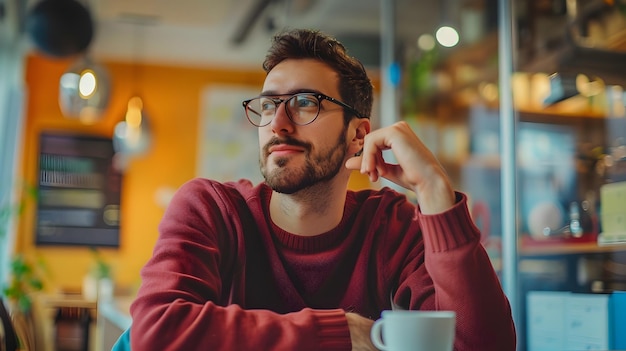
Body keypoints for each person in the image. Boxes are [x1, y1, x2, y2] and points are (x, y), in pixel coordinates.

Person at [129, 28, 516, 350]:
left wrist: (434, 192)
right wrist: (339, 332)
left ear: (357, 135)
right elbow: (157, 332)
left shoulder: (391, 228)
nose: (278, 123)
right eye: (268, 106)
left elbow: (483, 345)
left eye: (303, 102)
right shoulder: (211, 209)